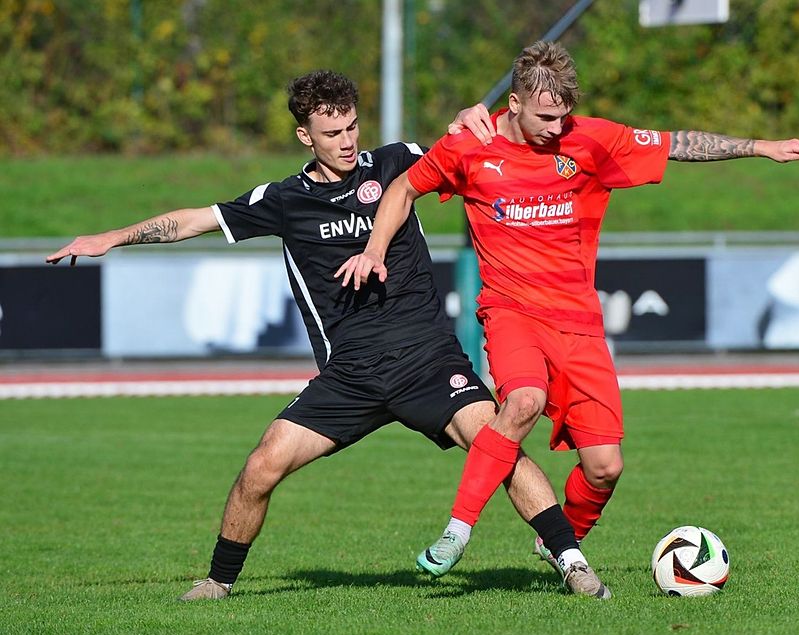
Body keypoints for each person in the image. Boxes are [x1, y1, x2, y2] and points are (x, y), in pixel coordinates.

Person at [46, 69, 609, 601]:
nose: (346, 141)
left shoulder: (398, 163)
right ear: (304, 135)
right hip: (351, 375)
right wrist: (109, 237)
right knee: (261, 465)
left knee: (499, 445)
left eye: (352, 127)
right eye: (332, 132)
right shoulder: (284, 200)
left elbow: (472, 139)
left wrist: (472, 114)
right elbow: (193, 220)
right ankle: (218, 582)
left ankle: (571, 562)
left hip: (428, 360)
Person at [337, 41, 799, 587]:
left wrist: (760, 146)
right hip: (511, 310)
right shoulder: (472, 144)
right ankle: (458, 530)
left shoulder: (587, 139)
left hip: (579, 323)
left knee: (605, 467)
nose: (555, 127)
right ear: (513, 103)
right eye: (544, 116)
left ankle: (559, 541)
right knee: (521, 400)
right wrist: (375, 249)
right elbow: (403, 186)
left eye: (563, 115)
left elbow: (676, 143)